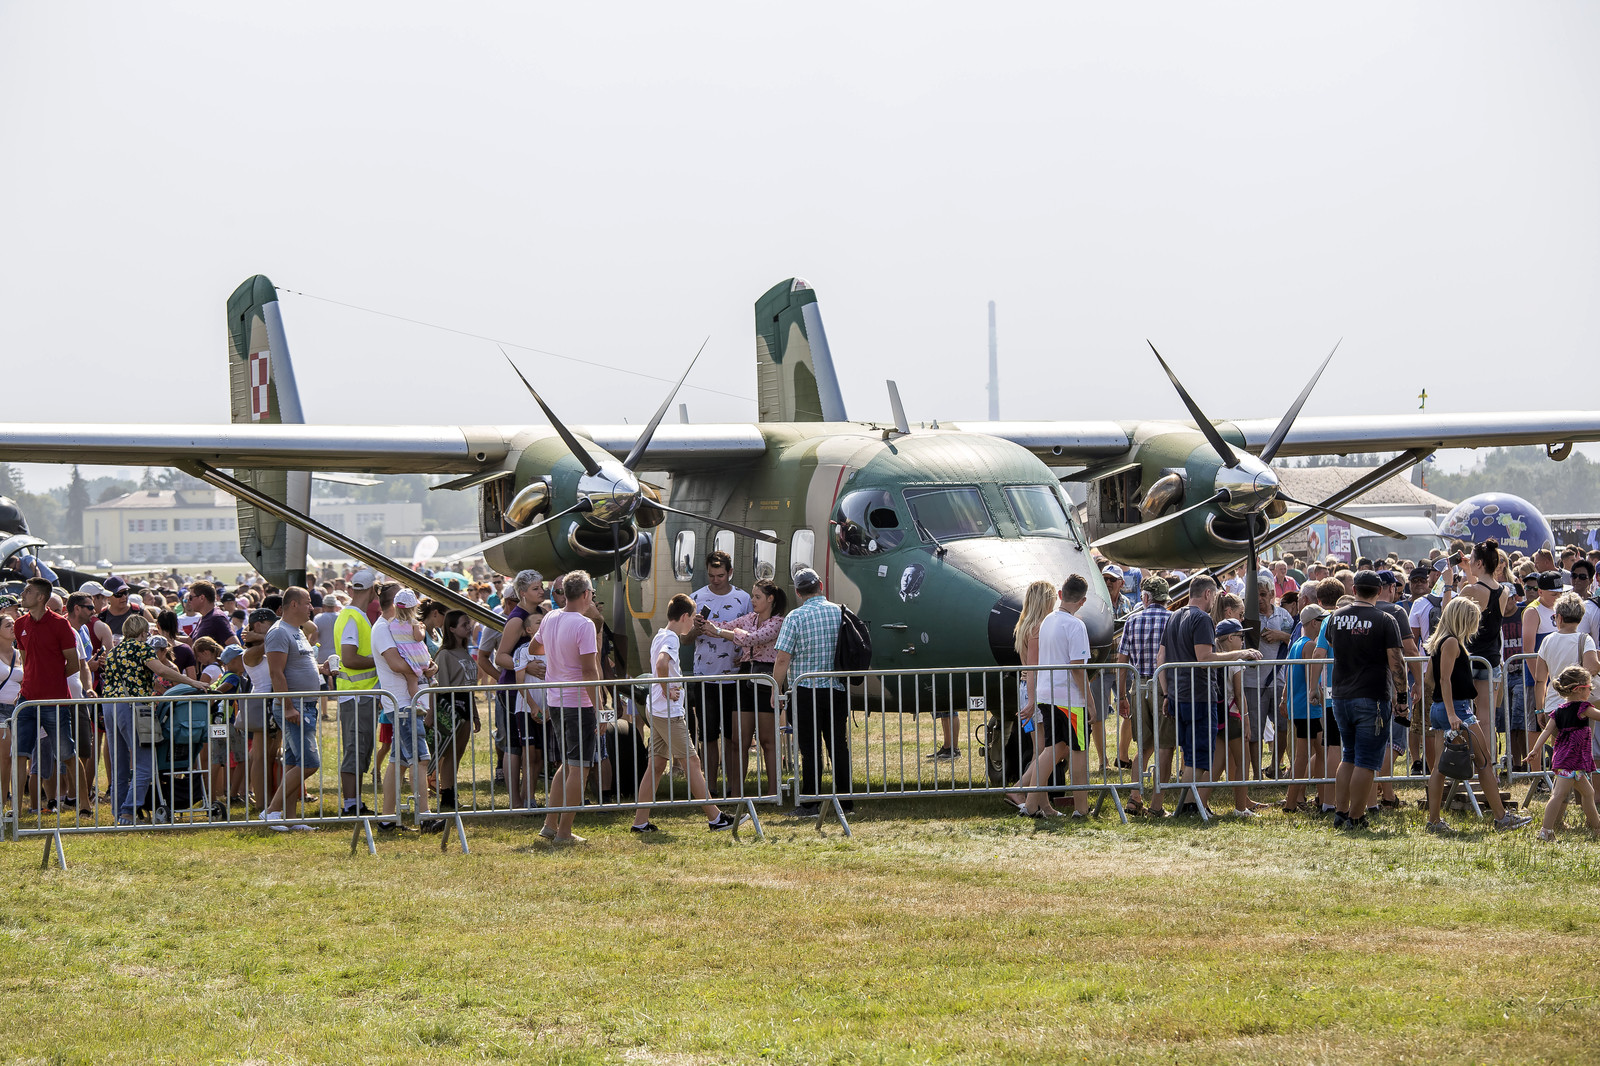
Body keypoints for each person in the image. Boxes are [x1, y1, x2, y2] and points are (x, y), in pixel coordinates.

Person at [630, 594, 737, 833]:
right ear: (685, 616)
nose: (694, 622)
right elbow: (661, 664)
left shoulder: (661, 634)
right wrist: (667, 689)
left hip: (657, 710)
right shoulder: (671, 638)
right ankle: (715, 818)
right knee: (692, 761)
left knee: (656, 765)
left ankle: (640, 822)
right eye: (693, 616)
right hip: (667, 713)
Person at [1423, 597, 1530, 833]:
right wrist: (1452, 713)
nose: (1476, 625)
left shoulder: (1440, 642)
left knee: (1439, 768)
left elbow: (1429, 679)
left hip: (1442, 708)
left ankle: (1434, 821)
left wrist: (1444, 707)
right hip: (1457, 709)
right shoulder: (1452, 642)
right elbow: (1444, 679)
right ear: (1464, 619)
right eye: (1474, 619)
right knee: (1484, 762)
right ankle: (1501, 818)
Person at [1158, 575, 1261, 815]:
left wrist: (1167, 693)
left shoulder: (1174, 616)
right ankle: (1188, 806)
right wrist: (1240, 654)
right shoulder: (1202, 618)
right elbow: (1204, 658)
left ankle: (1187, 806)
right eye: (1214, 596)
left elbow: (1160, 658)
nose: (1214, 601)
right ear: (1207, 594)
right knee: (1199, 757)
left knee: (1191, 755)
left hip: (1178, 695)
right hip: (1199, 697)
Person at [1321, 570, 1406, 830]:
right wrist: (1402, 697)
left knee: (1349, 756)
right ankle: (1356, 817)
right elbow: (1396, 662)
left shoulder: (1335, 618)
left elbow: (1332, 644)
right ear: (1379, 591)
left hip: (1342, 696)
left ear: (1354, 590)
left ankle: (1341, 812)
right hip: (1372, 697)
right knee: (1366, 761)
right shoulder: (1385, 619)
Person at [1016, 574, 1095, 819]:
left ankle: (1030, 805)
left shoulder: (1047, 621)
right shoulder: (1076, 625)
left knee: (1051, 749)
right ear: (1082, 601)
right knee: (1079, 751)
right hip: (1069, 698)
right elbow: (1077, 669)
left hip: (1046, 694)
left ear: (1060, 595)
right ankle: (1081, 809)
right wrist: (1090, 703)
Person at [773, 567, 848, 819]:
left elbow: (782, 658)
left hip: (805, 691)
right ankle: (846, 800)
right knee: (838, 745)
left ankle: (810, 803)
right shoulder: (839, 612)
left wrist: (776, 688)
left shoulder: (795, 617)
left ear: (798, 592)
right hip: (836, 689)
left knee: (809, 747)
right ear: (821, 587)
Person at [100, 611, 188, 824]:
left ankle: (118, 815)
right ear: (142, 633)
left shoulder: (114, 652)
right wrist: (191, 682)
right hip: (134, 707)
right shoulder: (142, 648)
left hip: (110, 707)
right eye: (147, 633)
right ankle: (128, 811)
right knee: (144, 764)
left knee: (119, 765)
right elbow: (161, 671)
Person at [537, 572, 604, 845]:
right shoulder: (584, 624)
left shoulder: (550, 617)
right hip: (578, 703)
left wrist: (558, 654)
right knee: (579, 768)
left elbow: (535, 647)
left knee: (567, 765)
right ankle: (563, 832)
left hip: (556, 700)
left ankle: (550, 825)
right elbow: (589, 670)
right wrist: (600, 708)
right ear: (586, 594)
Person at [710, 579, 787, 797]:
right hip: (745, 678)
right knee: (738, 741)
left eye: (757, 597)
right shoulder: (749, 618)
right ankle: (737, 793)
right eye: (753, 596)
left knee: (768, 741)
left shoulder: (778, 622)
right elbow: (726, 626)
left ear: (770, 599)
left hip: (766, 679)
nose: (752, 600)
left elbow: (752, 639)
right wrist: (707, 625)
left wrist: (723, 632)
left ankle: (773, 793)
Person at [372, 588, 440, 832]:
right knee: (420, 759)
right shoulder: (383, 628)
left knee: (398, 761)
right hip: (403, 704)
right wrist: (423, 670)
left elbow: (413, 653)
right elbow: (396, 663)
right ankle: (425, 816)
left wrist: (428, 667)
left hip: (407, 702)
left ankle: (387, 819)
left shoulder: (395, 626)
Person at [13, 577, 81, 814]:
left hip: (55, 701)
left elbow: (73, 664)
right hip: (27, 700)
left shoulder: (60, 624)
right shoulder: (19, 624)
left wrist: (52, 681)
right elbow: (26, 662)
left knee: (67, 755)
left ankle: (83, 802)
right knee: (20, 754)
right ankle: (16, 811)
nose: (23, 594)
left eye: (28, 591)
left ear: (41, 597)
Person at [688, 551, 752, 789]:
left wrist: (744, 656)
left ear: (730, 573)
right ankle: (711, 788)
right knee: (708, 735)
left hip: (734, 678)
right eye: (712, 575)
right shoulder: (696, 598)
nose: (716, 580)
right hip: (705, 677)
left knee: (733, 737)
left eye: (721, 576)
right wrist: (695, 630)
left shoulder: (743, 598)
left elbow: (751, 634)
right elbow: (684, 639)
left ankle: (733, 787)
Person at [262, 587, 323, 830]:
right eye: (308, 602)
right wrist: (288, 706)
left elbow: (298, 665)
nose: (312, 607)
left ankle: (289, 818)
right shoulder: (279, 632)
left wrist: (322, 669)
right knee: (309, 763)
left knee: (292, 763)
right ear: (294, 604)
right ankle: (271, 811)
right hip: (294, 706)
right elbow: (276, 672)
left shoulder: (296, 630)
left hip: (304, 705)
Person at [1114, 575, 1173, 815]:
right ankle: (1156, 805)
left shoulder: (1132, 620)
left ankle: (1134, 797)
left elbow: (1122, 662)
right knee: (1165, 746)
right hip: (1163, 685)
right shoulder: (1172, 619)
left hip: (1138, 685)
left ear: (1146, 598)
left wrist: (1121, 696)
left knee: (1144, 746)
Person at [1522, 666, 1600, 840]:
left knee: (1588, 793)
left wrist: (1535, 749)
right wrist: (1535, 750)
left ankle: (1597, 828)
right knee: (1558, 795)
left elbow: (1546, 732)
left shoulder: (1558, 711)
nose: (1591, 691)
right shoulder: (1583, 708)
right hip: (1570, 762)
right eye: (1589, 687)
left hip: (1571, 762)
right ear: (1578, 689)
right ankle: (1545, 831)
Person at [1529, 592, 1600, 773]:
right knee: (1579, 756)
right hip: (1578, 707)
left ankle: (1563, 784)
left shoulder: (1547, 640)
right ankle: (1572, 786)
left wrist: (1539, 709)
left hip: (1553, 706)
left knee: (1561, 752)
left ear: (1559, 617)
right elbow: (1592, 668)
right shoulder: (1585, 639)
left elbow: (1540, 680)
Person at [492, 570, 547, 807]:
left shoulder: (542, 614)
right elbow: (501, 656)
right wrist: (526, 666)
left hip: (535, 690)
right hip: (514, 690)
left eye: (541, 587)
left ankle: (528, 797)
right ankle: (515, 800)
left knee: (534, 748)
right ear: (523, 592)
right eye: (536, 588)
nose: (541, 591)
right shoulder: (517, 619)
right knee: (515, 746)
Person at [334, 569, 383, 817]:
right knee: (355, 749)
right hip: (356, 694)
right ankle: (351, 804)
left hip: (360, 695)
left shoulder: (354, 615)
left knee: (361, 749)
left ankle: (355, 802)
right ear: (373, 590)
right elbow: (350, 659)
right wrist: (381, 660)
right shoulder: (353, 617)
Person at [1211, 618, 1265, 816]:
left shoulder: (1214, 658)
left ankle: (1199, 802)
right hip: (1233, 715)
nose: (1243, 640)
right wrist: (1247, 721)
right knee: (1243, 762)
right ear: (1230, 638)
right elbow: (1239, 693)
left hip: (1218, 714)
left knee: (1216, 765)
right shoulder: (1236, 661)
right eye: (1240, 636)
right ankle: (1241, 808)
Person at [430, 610, 481, 813]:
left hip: (466, 705)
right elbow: (440, 688)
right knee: (449, 754)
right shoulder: (444, 654)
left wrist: (474, 714)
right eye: (463, 625)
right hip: (451, 706)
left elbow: (470, 687)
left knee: (458, 753)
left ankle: (451, 792)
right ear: (451, 628)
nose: (468, 628)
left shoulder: (465, 652)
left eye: (469, 624)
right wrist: (437, 714)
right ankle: (446, 796)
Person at [1282, 604, 1327, 812]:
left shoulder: (1297, 644)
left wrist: (1285, 699)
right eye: (1322, 621)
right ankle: (1291, 803)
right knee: (1303, 757)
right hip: (1307, 707)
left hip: (1300, 707)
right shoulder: (1309, 645)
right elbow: (1313, 681)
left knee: (1321, 752)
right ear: (1314, 623)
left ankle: (1323, 799)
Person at [238, 608, 281, 811]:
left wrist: (256, 635)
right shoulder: (250, 653)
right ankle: (262, 803)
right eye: (270, 624)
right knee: (260, 757)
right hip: (261, 703)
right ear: (257, 625)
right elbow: (274, 642)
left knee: (270, 756)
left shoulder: (265, 644)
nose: (275, 627)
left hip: (274, 702)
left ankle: (270, 800)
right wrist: (257, 637)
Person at [0, 613, 22, 811]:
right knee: (5, 757)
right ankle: (3, 802)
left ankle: (11, 804)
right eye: (8, 625)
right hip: (0, 710)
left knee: (16, 757)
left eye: (14, 624)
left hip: (19, 709)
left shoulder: (20, 653)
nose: (13, 627)